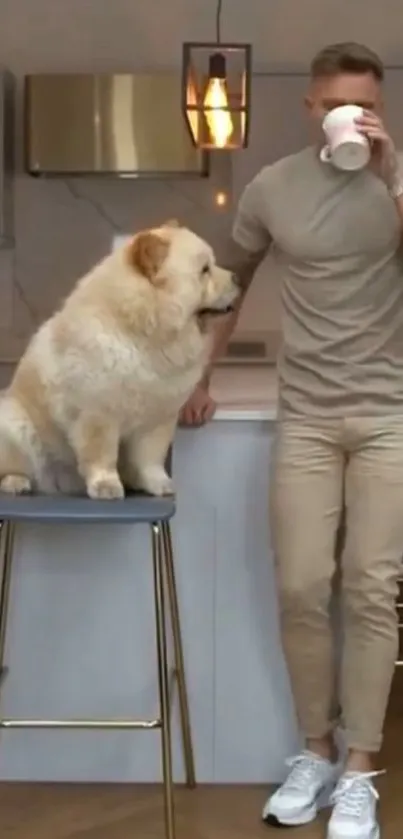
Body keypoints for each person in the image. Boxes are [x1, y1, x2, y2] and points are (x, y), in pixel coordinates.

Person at [180, 42, 403, 839]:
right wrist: (195, 378)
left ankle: (361, 770)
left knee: (371, 588)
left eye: (368, 105)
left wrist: (387, 176)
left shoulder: (396, 178)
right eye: (340, 104)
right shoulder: (272, 187)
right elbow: (226, 286)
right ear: (311, 107)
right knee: (303, 585)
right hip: (306, 412)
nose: (354, 117)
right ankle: (314, 750)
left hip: (388, 416)